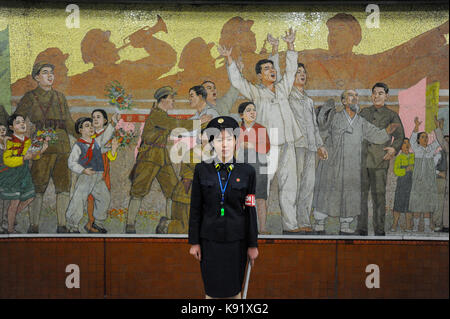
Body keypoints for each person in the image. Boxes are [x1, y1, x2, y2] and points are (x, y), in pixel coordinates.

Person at [220, 28, 308, 234]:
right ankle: (259, 227)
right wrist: (229, 59)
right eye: (267, 69)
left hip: (287, 142)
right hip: (265, 147)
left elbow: (290, 70)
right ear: (260, 76)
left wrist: (290, 46)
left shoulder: (284, 87)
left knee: (289, 186)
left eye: (272, 68)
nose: (272, 71)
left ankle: (291, 225)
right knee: (262, 188)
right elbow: (237, 81)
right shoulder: (256, 92)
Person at [188, 116, 258, 299]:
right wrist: (194, 242)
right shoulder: (202, 170)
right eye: (219, 140)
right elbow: (195, 208)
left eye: (229, 139)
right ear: (212, 143)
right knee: (212, 291)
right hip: (209, 241)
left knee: (234, 290)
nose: (224, 144)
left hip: (237, 242)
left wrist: (252, 245)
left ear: (235, 141)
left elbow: (250, 210)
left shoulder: (247, 172)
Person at [313, 89, 398, 235]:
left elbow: (375, 135)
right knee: (327, 191)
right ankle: (319, 222)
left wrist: (387, 131)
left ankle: (345, 224)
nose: (354, 98)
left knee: (350, 193)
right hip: (332, 162)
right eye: (350, 96)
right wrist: (321, 148)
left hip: (352, 164)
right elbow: (322, 133)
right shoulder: (334, 117)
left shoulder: (361, 122)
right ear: (344, 101)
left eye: (356, 96)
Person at [267, 34, 329, 232]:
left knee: (307, 186)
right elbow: (274, 72)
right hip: (293, 147)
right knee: (291, 186)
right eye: (297, 72)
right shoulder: (284, 95)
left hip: (310, 147)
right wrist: (280, 48)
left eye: (304, 72)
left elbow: (313, 125)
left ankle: (304, 221)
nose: (302, 75)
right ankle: (290, 223)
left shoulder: (309, 101)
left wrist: (319, 145)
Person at [126, 86, 207, 234]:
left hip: (161, 155)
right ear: (162, 100)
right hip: (149, 156)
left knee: (173, 190)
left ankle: (169, 222)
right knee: (139, 190)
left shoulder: (160, 115)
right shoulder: (157, 115)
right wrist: (198, 122)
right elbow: (174, 125)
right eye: (171, 99)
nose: (173, 102)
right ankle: (130, 224)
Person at [14, 61, 77, 234]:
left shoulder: (60, 97)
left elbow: (70, 123)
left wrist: (85, 138)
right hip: (41, 146)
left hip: (63, 146)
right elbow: (17, 119)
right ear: (36, 77)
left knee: (63, 186)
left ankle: (62, 225)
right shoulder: (30, 97)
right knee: (37, 186)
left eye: (51, 73)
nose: (50, 76)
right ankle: (34, 226)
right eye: (45, 72)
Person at [357, 82, 405, 236]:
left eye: (380, 93)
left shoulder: (392, 115)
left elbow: (400, 136)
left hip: (380, 161)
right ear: (371, 96)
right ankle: (362, 228)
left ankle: (379, 230)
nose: (376, 96)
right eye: (374, 93)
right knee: (361, 197)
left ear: (386, 96)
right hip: (362, 161)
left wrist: (393, 148)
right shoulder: (363, 113)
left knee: (379, 197)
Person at [65, 117, 116, 233]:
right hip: (86, 177)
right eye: (87, 126)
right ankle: (72, 226)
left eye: (91, 125)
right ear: (80, 130)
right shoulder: (78, 145)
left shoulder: (95, 142)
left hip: (98, 177)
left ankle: (98, 223)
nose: (91, 127)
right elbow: (71, 163)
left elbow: (104, 137)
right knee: (78, 201)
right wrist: (83, 170)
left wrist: (113, 124)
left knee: (104, 198)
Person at [0, 114, 49, 233]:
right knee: (14, 202)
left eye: (23, 122)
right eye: (18, 122)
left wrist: (43, 148)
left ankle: (10, 217)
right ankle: (11, 229)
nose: (22, 124)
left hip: (24, 173)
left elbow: (33, 155)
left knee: (30, 197)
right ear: (11, 127)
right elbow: (7, 160)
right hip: (12, 173)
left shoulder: (27, 140)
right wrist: (22, 158)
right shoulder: (10, 140)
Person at [237, 101, 271, 234]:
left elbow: (266, 147)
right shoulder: (237, 130)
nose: (252, 112)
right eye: (248, 110)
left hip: (259, 166)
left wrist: (251, 145)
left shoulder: (260, 128)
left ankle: (262, 228)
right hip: (242, 166)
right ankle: (245, 228)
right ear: (241, 115)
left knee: (260, 198)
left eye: (254, 110)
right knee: (244, 198)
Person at [85, 109, 120, 233]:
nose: (95, 119)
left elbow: (111, 157)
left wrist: (114, 149)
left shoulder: (108, 135)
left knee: (103, 196)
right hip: (92, 168)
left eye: (98, 117)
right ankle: (90, 223)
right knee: (90, 197)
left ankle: (96, 223)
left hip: (104, 168)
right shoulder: (89, 135)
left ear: (105, 120)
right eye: (93, 117)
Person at [408, 117, 440, 233]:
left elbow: (437, 142)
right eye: (422, 137)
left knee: (427, 204)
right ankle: (416, 227)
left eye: (426, 137)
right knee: (417, 203)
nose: (425, 139)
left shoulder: (431, 149)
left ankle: (426, 227)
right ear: (418, 140)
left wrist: (437, 127)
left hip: (429, 182)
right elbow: (411, 140)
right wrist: (416, 126)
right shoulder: (417, 149)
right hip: (418, 181)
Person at [391, 138, 415, 232]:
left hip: (411, 184)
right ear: (401, 146)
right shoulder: (399, 157)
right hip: (401, 184)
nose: (406, 145)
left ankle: (409, 226)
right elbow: (396, 171)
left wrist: (412, 168)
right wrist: (405, 170)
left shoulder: (413, 156)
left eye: (408, 143)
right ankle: (395, 224)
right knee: (398, 204)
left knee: (409, 205)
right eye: (404, 143)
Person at [433, 116, 449, 232]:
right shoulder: (445, 150)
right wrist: (438, 128)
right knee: (446, 202)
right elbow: (442, 142)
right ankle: (446, 226)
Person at [0, 122, 7, 233]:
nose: (2, 131)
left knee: (6, 200)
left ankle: (4, 224)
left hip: (6, 175)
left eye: (3, 129)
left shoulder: (5, 143)